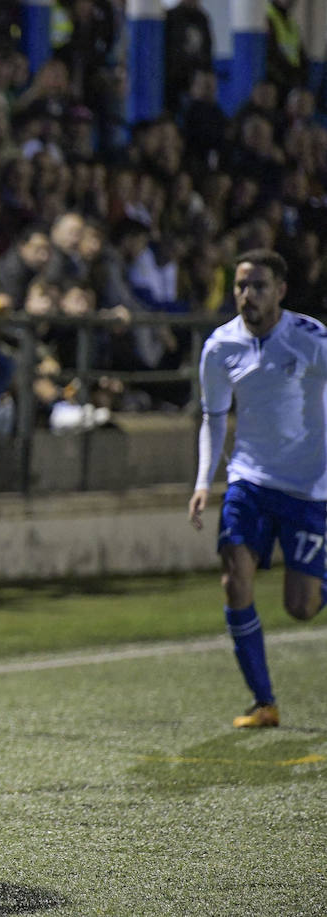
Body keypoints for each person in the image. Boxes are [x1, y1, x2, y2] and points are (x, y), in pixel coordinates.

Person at [188, 249, 327, 729]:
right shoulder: (220, 346)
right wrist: (204, 481)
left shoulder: (311, 339)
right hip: (248, 478)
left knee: (302, 607)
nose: (248, 295)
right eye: (241, 286)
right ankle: (264, 701)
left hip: (309, 487)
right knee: (234, 574)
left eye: (259, 286)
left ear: (281, 291)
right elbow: (212, 417)